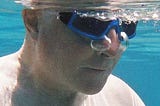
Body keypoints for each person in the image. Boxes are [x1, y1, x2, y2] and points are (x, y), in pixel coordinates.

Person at [0, 0, 145, 106]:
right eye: (91, 22)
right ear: (33, 21)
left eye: (126, 25)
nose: (112, 49)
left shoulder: (122, 99)